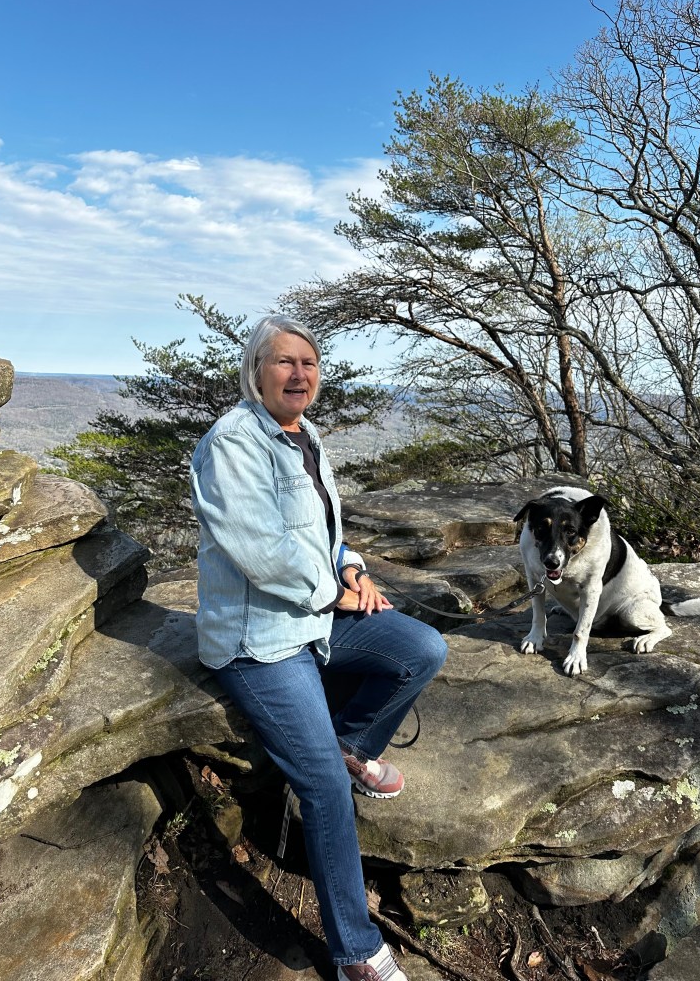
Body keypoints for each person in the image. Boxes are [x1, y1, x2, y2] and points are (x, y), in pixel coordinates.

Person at [190, 314, 448, 981]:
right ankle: (356, 951)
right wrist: (333, 594)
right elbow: (262, 552)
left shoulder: (306, 436)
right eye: (284, 361)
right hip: (259, 639)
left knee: (421, 648)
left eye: (308, 363)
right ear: (256, 371)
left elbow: (325, 534)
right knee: (325, 789)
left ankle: (350, 743)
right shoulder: (232, 443)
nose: (298, 373)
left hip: (314, 620)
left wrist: (353, 571)